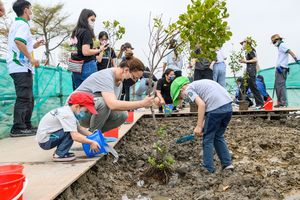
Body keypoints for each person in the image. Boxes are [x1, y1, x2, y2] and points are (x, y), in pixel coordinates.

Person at [74, 54, 156, 132]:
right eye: (134, 77)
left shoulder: (119, 83)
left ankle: (95, 134)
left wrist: (116, 121)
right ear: (126, 70)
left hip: (89, 112)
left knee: (122, 115)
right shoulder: (106, 76)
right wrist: (142, 103)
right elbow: (112, 105)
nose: (135, 81)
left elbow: (116, 107)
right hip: (76, 112)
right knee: (105, 103)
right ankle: (92, 137)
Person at [170, 77, 233, 173]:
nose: (184, 99)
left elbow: (202, 105)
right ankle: (227, 164)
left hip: (215, 110)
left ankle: (208, 168)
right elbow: (208, 108)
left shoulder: (188, 89)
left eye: (180, 97)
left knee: (208, 139)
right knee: (218, 136)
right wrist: (204, 125)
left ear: (181, 89)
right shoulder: (200, 84)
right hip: (228, 108)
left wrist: (199, 126)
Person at [7, 0, 44, 137]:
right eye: (30, 8)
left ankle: (26, 125)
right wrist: (31, 59)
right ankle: (18, 127)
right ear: (25, 9)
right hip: (20, 66)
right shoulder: (22, 24)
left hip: (21, 66)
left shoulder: (18, 24)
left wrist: (35, 45)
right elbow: (18, 41)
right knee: (24, 97)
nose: (32, 11)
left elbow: (23, 44)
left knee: (29, 97)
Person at [36, 92, 100, 162]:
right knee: (70, 132)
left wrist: (95, 137)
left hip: (49, 137)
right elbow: (75, 136)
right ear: (77, 106)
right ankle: (59, 155)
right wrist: (91, 142)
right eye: (86, 110)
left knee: (72, 130)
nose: (86, 112)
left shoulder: (68, 111)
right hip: (46, 140)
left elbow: (80, 129)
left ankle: (61, 152)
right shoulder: (67, 115)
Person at [71, 9, 102, 89]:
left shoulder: (75, 32)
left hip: (75, 67)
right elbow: (86, 51)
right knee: (89, 93)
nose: (93, 22)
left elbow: (76, 50)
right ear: (85, 18)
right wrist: (99, 50)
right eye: (92, 20)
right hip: (87, 65)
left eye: (94, 20)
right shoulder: (86, 32)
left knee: (78, 93)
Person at [271, 34, 299, 107]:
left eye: (274, 42)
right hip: (279, 68)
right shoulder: (280, 46)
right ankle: (280, 102)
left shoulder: (282, 45)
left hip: (282, 68)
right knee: (278, 86)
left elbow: (289, 51)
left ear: (277, 40)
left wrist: (296, 59)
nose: (274, 44)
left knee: (281, 86)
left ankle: (283, 103)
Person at [239, 39, 264, 109]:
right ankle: (247, 103)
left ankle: (260, 104)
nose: (242, 45)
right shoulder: (247, 52)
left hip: (251, 71)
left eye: (243, 43)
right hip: (248, 71)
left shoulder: (250, 50)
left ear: (247, 43)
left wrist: (245, 61)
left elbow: (255, 59)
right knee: (243, 88)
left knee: (253, 87)